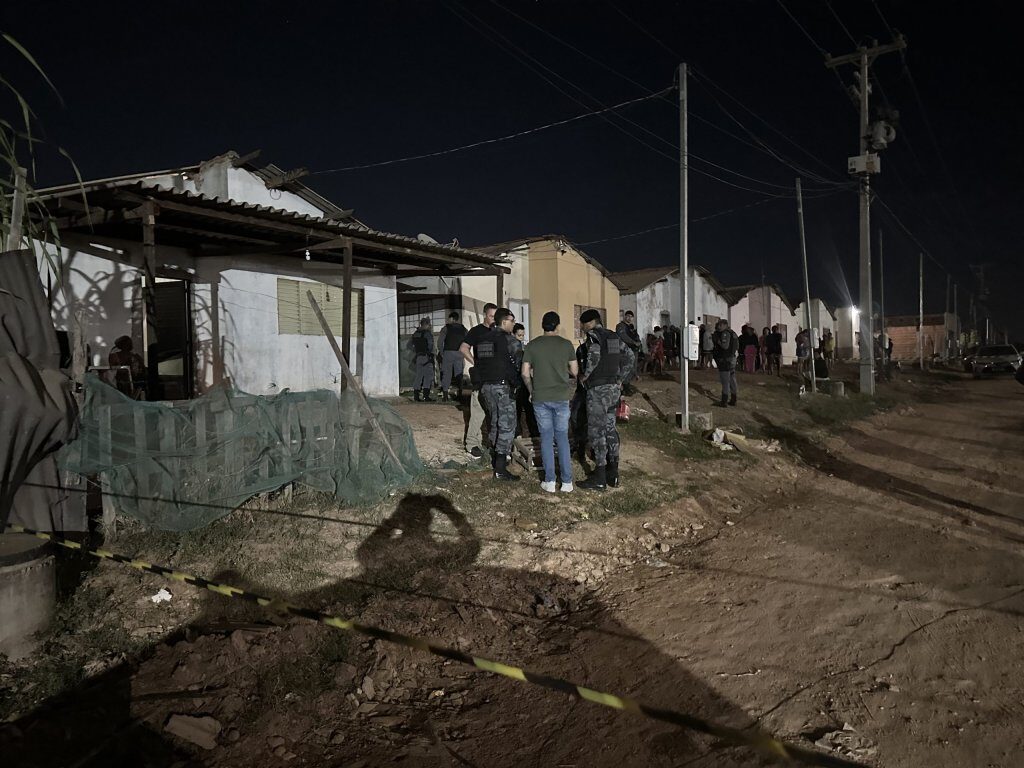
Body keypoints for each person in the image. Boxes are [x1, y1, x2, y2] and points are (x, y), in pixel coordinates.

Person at [577, 309, 635, 492]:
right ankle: (613, 472)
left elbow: (594, 357)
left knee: (597, 432)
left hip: (598, 390)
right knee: (610, 429)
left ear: (590, 323)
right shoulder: (613, 337)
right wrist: (620, 379)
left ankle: (600, 477)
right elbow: (630, 357)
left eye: (583, 324)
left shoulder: (594, 336)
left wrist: (585, 376)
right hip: (613, 390)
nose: (582, 328)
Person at [521, 311, 578, 493]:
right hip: (561, 397)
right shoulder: (566, 344)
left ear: (542, 325)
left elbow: (525, 372)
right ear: (557, 326)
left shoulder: (532, 345)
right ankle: (567, 482)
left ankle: (550, 481)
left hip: (540, 397)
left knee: (546, 437)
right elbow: (575, 371)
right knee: (562, 437)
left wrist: (531, 390)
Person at [472, 308, 523, 481]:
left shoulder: (482, 340)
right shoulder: (511, 341)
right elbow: (520, 365)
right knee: (507, 426)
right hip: (503, 388)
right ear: (504, 321)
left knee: (494, 421)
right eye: (512, 320)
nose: (513, 324)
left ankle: (494, 458)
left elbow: (478, 362)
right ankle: (500, 468)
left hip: (486, 387)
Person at [459, 303, 497, 459]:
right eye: (491, 316)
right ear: (485, 315)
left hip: (495, 378)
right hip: (481, 378)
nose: (493, 319)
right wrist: (475, 362)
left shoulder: (498, 332)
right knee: (478, 411)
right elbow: (463, 348)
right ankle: (472, 444)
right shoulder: (476, 331)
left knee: (494, 414)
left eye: (496, 316)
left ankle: (492, 443)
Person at [437, 311, 468, 402]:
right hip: (459, 353)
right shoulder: (463, 329)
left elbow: (439, 342)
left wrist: (442, 352)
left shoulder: (446, 328)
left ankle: (445, 395)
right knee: (459, 374)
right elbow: (467, 341)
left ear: (451, 319)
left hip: (448, 352)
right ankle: (460, 394)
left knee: (447, 374)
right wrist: (464, 352)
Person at [711, 319, 739, 407]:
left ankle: (724, 401)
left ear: (725, 325)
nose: (719, 327)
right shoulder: (733, 333)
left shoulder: (725, 333)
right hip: (732, 359)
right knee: (732, 379)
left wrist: (718, 341)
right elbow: (737, 346)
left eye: (720, 325)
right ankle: (733, 399)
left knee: (725, 381)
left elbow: (725, 346)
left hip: (725, 360)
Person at [407, 317, 435, 402]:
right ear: (426, 324)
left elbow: (408, 345)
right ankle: (426, 396)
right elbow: (430, 346)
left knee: (419, 376)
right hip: (426, 357)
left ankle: (416, 396)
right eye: (429, 324)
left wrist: (415, 350)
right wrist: (430, 354)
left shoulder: (415, 333)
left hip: (418, 357)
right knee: (428, 376)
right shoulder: (428, 334)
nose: (429, 326)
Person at [615, 310, 643, 383]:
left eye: (631, 317)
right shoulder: (620, 326)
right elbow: (623, 336)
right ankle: (623, 385)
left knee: (633, 367)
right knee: (625, 367)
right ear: (625, 317)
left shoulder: (631, 327)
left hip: (633, 350)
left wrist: (638, 342)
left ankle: (628, 383)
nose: (629, 318)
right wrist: (633, 342)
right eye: (628, 316)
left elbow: (636, 336)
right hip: (625, 351)